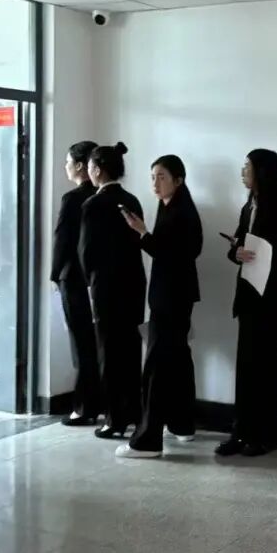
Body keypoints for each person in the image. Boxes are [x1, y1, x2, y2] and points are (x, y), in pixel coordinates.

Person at [216, 150, 277, 458]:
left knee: (267, 366)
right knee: (246, 366)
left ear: (263, 172)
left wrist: (264, 253)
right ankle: (241, 430)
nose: (243, 172)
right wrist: (236, 252)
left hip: (274, 300)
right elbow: (238, 243)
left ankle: (267, 434)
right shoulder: (248, 205)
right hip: (249, 297)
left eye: (248, 167)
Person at [116, 155, 203, 459]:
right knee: (177, 361)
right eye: (152, 176)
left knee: (156, 366)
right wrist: (145, 233)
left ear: (178, 180)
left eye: (162, 177)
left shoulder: (182, 211)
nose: (155, 183)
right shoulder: (170, 206)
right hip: (172, 295)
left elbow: (178, 254)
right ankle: (182, 424)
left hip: (172, 298)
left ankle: (147, 441)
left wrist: (143, 233)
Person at [78, 142, 146, 440]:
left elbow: (86, 252)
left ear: (96, 169)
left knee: (109, 352)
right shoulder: (132, 200)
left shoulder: (92, 204)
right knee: (130, 349)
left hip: (106, 287)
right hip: (134, 284)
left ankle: (114, 419)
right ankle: (134, 413)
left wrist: (89, 284)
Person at [51, 139, 101, 427]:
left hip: (73, 277)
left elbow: (62, 240)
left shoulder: (72, 199)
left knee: (81, 344)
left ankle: (84, 406)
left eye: (69, 161)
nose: (66, 166)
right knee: (97, 343)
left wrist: (54, 274)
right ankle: (100, 402)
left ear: (81, 166)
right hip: (99, 278)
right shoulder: (106, 196)